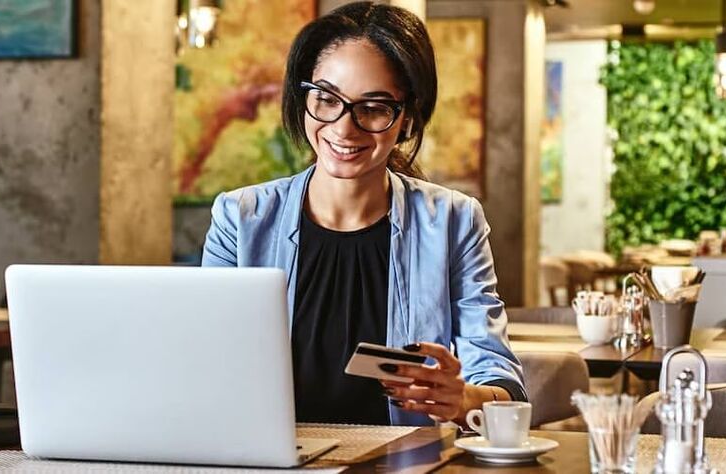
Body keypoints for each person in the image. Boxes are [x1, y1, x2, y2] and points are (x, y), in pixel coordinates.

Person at [201, 1, 526, 427]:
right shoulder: (240, 220)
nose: (343, 128)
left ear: (407, 119)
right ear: (304, 99)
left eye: (373, 107)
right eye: (326, 98)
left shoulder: (453, 222)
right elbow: (205, 361)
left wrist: (463, 399)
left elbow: (501, 380)